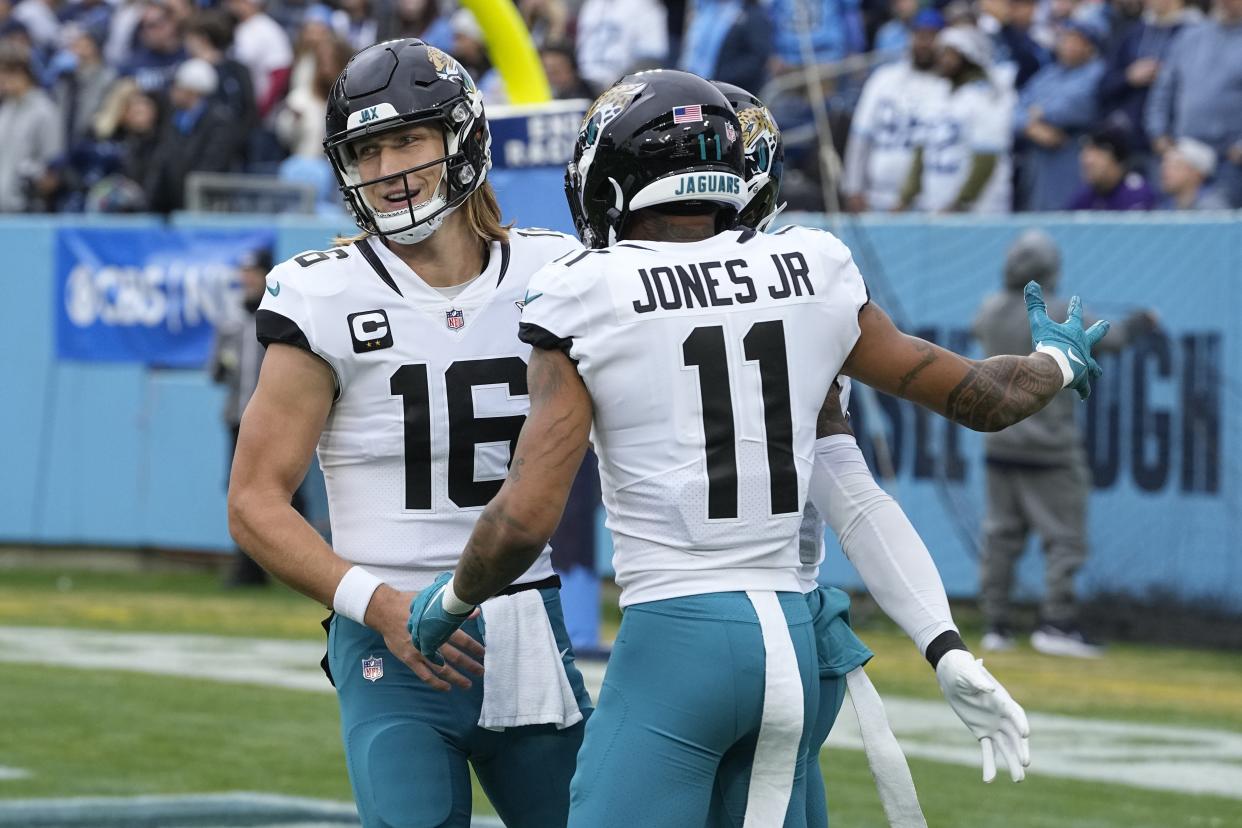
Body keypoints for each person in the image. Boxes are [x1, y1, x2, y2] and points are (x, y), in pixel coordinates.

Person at [411, 69, 1105, 826]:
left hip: (677, 642)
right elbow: (982, 401)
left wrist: (450, 601)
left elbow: (523, 518)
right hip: (800, 642)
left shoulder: (584, 290)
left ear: (610, 182)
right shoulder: (810, 269)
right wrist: (1057, 362)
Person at [226, 39, 591, 828]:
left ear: (460, 139)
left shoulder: (555, 275)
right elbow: (254, 501)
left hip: (528, 621)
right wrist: (376, 602)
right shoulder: (323, 293)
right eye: (366, 150)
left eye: (407, 140)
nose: (387, 167)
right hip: (387, 636)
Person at [716, 80, 1030, 827]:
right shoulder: (786, 280)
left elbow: (847, 487)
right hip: (753, 631)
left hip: (729, 626)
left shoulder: (595, 289)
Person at [974, 229, 1156, 658]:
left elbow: (981, 327)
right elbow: (1109, 338)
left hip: (999, 443)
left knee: (1000, 537)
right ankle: (1057, 622)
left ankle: (996, 625)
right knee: (1065, 539)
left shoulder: (989, 310)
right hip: (1050, 449)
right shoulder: (1055, 310)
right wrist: (1143, 322)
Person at [210, 248, 298, 587]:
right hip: (238, 416)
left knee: (287, 493)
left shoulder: (279, 311)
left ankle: (297, 569)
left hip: (278, 418)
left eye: (252, 271)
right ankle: (248, 571)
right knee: (240, 491)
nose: (246, 278)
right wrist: (223, 366)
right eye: (243, 271)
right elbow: (215, 372)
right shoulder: (230, 317)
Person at [897, 25, 1016, 213]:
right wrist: (906, 196)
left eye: (950, 54)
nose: (943, 60)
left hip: (978, 208)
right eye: (941, 53)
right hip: (936, 201)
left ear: (968, 57)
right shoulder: (936, 92)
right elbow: (921, 151)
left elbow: (986, 157)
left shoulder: (986, 97)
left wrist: (962, 202)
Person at [842, 8, 947, 213]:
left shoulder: (948, 85)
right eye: (920, 35)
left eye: (932, 36)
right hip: (877, 196)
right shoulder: (884, 79)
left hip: (927, 203)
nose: (925, 43)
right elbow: (861, 137)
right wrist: (853, 188)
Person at [1144, 0, 1242, 207]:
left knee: (1219, 220)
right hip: (1183, 151)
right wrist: (1158, 132)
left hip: (1230, 159)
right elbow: (1164, 88)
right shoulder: (1190, 37)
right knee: (1172, 223)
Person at [1013, 18, 1106, 211]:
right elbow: (1016, 111)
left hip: (1073, 153)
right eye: (1065, 39)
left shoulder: (1098, 72)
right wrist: (1031, 128)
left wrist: (1040, 112)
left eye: (1075, 41)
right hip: (1039, 160)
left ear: (1089, 46)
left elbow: (1077, 107)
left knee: (1070, 216)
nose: (1067, 45)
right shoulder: (1048, 74)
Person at [0, 40, 62, 213]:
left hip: (27, 211)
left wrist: (31, 178)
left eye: (4, 72)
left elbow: (52, 169)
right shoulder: (6, 108)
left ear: (21, 72)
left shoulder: (44, 110)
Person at [1066, 123, 1157, 209]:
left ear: (1117, 160)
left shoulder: (1136, 192)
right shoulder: (1086, 194)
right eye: (1085, 154)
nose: (1087, 161)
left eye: (1097, 154)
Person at [1158, 136, 1232, 209]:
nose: (1165, 172)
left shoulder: (1213, 208)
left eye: (1175, 166)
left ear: (1197, 173)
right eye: (1165, 167)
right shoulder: (1166, 206)